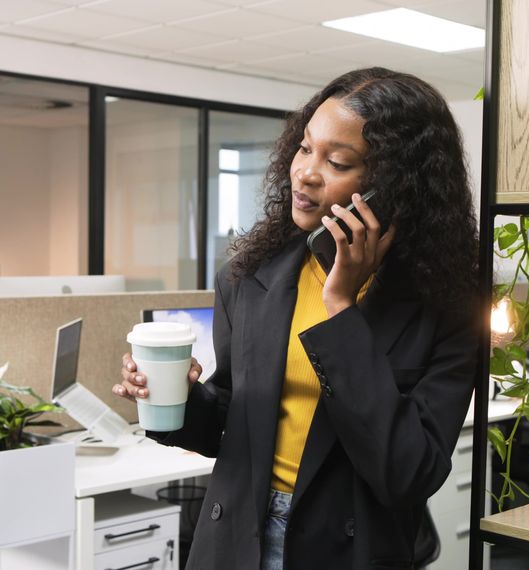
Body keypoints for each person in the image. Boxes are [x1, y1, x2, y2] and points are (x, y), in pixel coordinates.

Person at [114, 68, 480, 569]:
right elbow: (233, 421)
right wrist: (175, 395)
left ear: (395, 186)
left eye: (338, 161)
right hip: (237, 538)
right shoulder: (250, 277)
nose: (305, 172)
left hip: (346, 547)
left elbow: (408, 472)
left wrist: (341, 309)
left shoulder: (445, 306)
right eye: (305, 148)